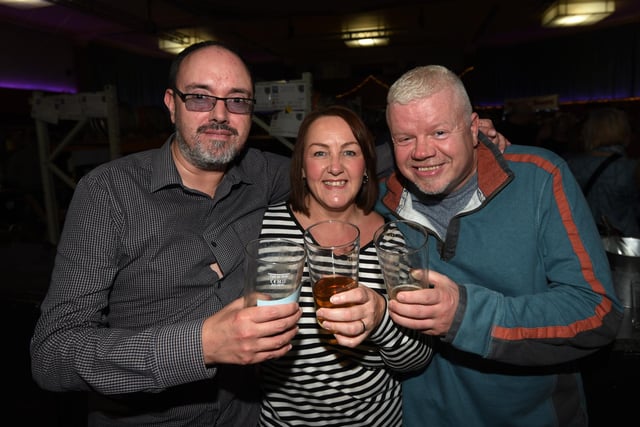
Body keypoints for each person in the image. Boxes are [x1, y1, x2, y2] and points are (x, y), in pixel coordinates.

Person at [30, 41, 302, 426]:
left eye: (237, 100)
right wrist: (200, 345)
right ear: (171, 103)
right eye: (200, 98)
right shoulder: (109, 193)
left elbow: (344, 164)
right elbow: (52, 354)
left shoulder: (266, 175)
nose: (220, 115)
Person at [376, 65, 622, 426]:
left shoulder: (538, 177)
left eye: (440, 131)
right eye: (405, 138)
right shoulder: (381, 199)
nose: (422, 151)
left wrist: (465, 314)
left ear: (474, 127)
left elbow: (596, 311)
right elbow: (327, 169)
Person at [257, 105, 432, 426]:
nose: (335, 167)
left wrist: (379, 319)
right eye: (320, 153)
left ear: (366, 165)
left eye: (349, 152)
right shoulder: (267, 228)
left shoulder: (391, 241)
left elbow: (416, 359)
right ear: (300, 167)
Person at [567, 107, 640, 237]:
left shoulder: (569, 164)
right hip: (625, 241)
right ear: (624, 131)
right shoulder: (632, 167)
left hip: (584, 237)